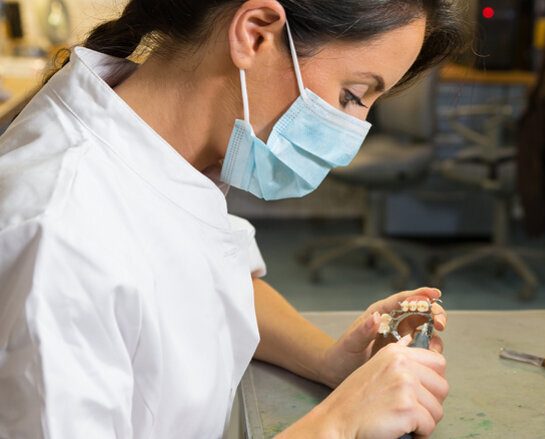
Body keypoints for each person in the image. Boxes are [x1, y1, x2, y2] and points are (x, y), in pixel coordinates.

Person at [0, 0, 468, 437]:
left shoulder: (166, 142)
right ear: (256, 34)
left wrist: (329, 360)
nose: (351, 135)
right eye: (352, 94)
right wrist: (335, 424)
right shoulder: (60, 233)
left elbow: (206, 277)